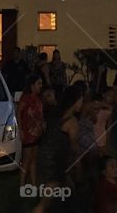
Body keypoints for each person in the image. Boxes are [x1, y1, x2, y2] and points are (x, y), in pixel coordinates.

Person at [33, 85, 83, 213]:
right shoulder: (72, 122)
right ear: (75, 101)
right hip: (55, 164)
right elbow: (75, 149)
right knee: (43, 205)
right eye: (81, 100)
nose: (82, 103)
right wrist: (79, 172)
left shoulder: (55, 114)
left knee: (69, 191)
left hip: (45, 159)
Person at [18, 74, 45, 188]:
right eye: (39, 84)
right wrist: (20, 129)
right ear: (32, 85)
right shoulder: (26, 98)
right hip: (28, 132)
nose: (41, 86)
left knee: (34, 158)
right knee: (27, 159)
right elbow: (19, 112)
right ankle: (22, 184)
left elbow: (40, 115)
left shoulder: (38, 99)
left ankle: (33, 184)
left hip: (37, 133)